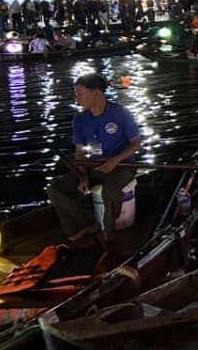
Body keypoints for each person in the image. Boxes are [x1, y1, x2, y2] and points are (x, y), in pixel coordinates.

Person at [47, 73, 141, 240]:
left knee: (110, 191)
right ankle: (85, 225)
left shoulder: (120, 113)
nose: (77, 98)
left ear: (96, 93)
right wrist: (82, 175)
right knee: (56, 190)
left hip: (122, 166)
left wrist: (115, 160)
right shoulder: (80, 119)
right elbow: (80, 152)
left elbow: (136, 144)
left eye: (80, 94)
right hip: (95, 166)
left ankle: (108, 233)